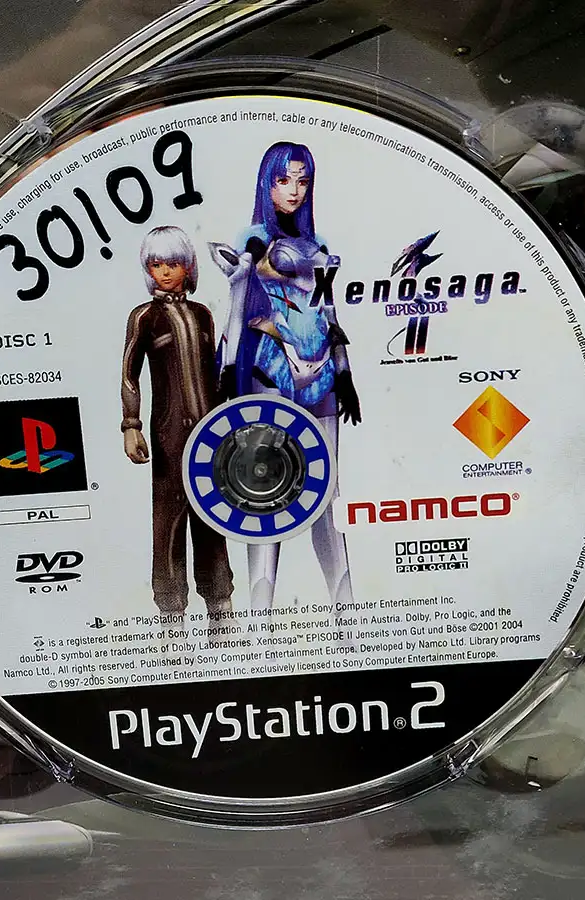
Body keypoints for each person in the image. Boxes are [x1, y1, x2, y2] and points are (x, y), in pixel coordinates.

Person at [213, 142, 360, 615]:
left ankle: (347, 612)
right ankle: (261, 617)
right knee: (263, 491)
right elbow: (241, 300)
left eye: (303, 180)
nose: (294, 190)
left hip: (322, 377)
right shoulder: (254, 238)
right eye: (283, 180)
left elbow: (328, 311)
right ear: (267, 183)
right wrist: (228, 369)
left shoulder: (319, 245)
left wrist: (345, 373)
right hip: (270, 373)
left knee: (328, 492)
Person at [122, 226, 233, 624]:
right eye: (156, 264)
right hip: (169, 435)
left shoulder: (203, 315)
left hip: (212, 433)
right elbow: (129, 375)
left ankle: (221, 606)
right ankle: (171, 613)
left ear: (189, 266)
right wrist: (131, 425)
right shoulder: (144, 318)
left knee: (212, 518)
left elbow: (216, 375)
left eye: (174, 263)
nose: (165, 272)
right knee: (168, 521)